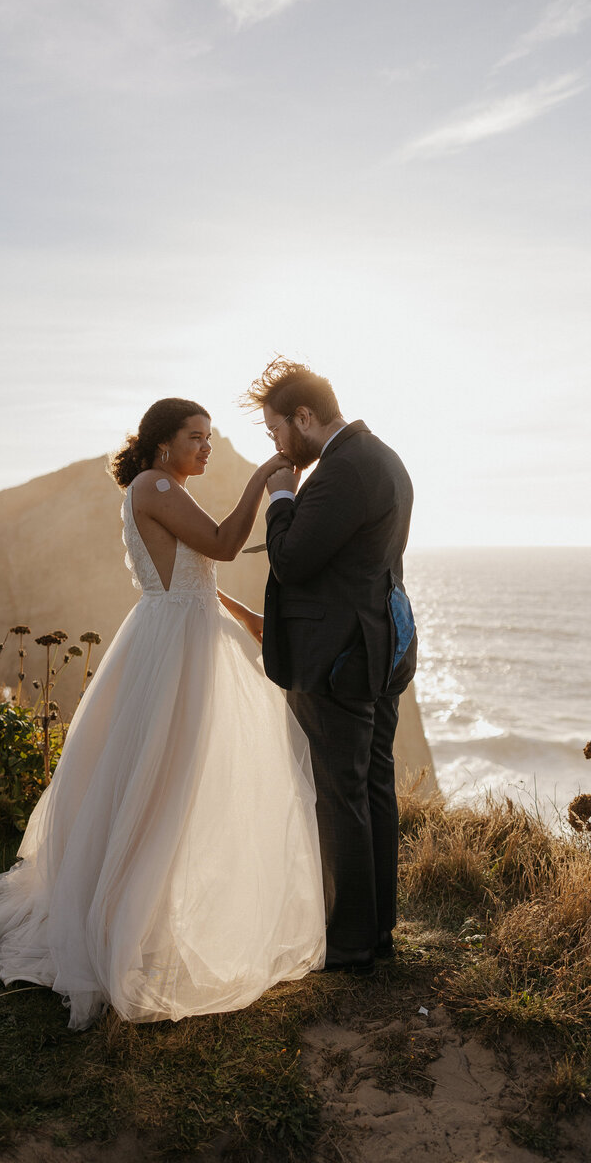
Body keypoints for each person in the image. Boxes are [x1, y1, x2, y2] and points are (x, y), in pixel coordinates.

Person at [0, 398, 326, 1029]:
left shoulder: (160, 485)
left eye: (210, 438)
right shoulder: (156, 484)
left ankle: (146, 912)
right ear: (163, 443)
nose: (207, 448)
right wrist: (263, 481)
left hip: (179, 634)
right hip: (173, 651)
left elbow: (194, 575)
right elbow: (222, 544)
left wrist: (246, 619)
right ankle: (124, 924)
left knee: (167, 783)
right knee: (161, 785)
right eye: (197, 438)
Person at [241, 359, 417, 976]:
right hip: (378, 648)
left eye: (275, 432)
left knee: (338, 795)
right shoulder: (383, 456)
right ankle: (375, 933)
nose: (276, 445)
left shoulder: (342, 470)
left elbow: (293, 559)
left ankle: (346, 946)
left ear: (305, 418)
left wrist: (281, 495)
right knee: (370, 789)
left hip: (341, 658)